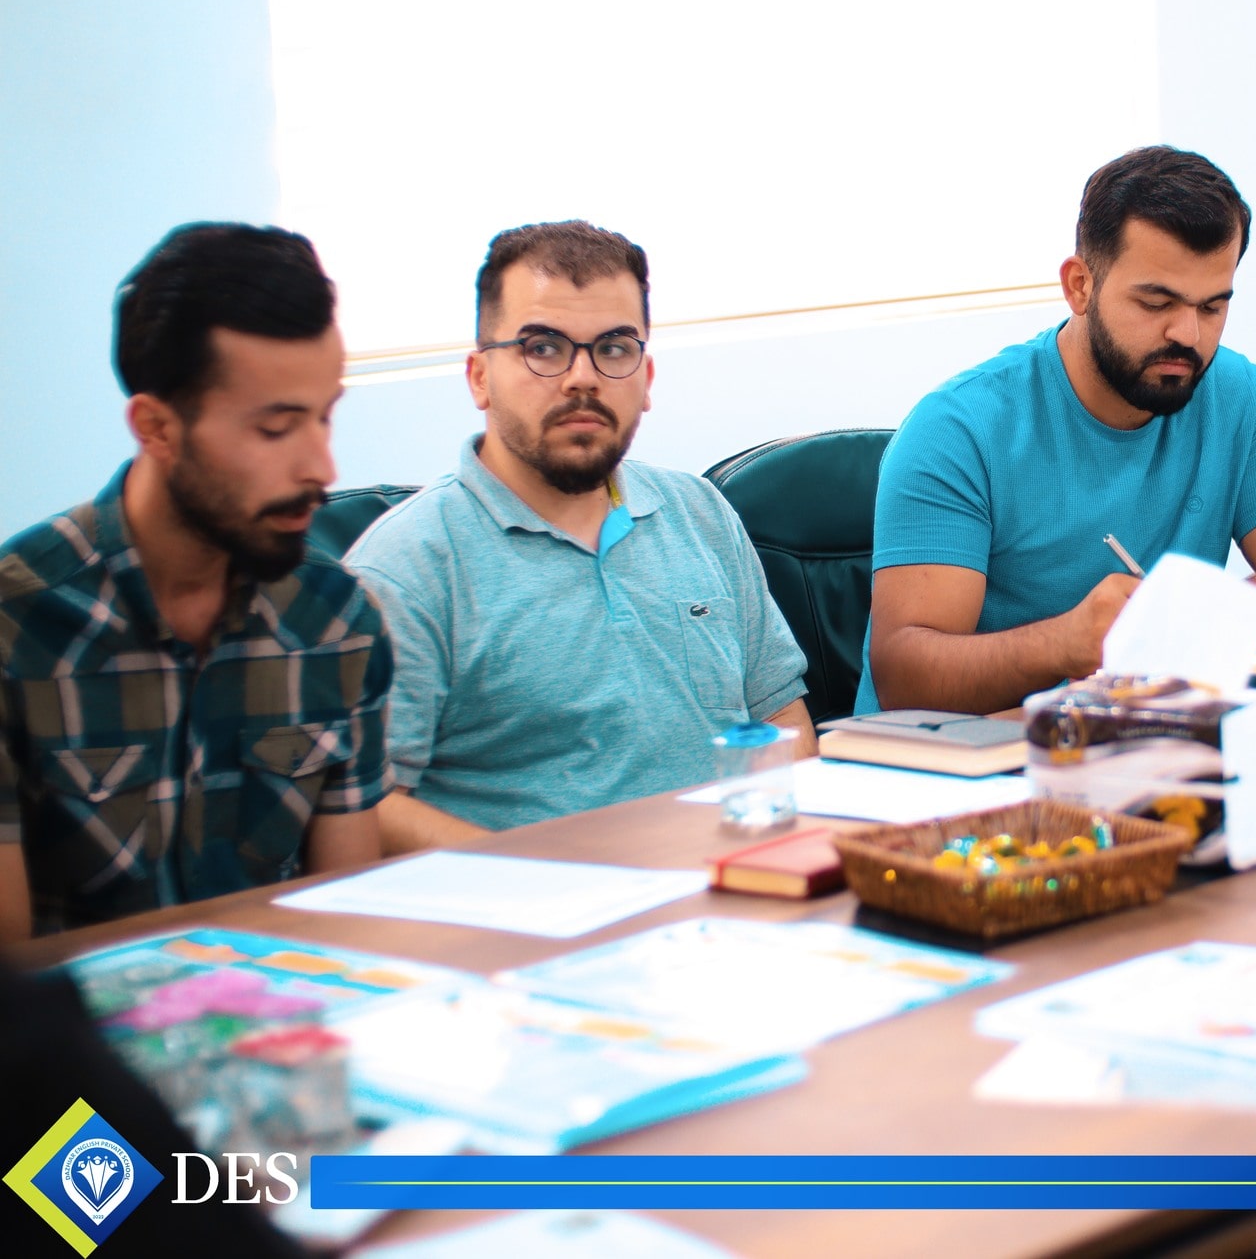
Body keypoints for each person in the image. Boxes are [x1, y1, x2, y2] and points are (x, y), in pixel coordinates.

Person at [346, 220, 811, 850]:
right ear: (479, 376)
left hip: (734, 881)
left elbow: (781, 720)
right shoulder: (407, 566)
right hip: (530, 902)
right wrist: (544, 880)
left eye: (614, 348)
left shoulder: (699, 513)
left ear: (647, 378)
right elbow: (367, 806)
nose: (582, 378)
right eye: (543, 347)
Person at [859, 145, 1256, 714]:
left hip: (1147, 745)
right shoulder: (957, 430)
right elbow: (904, 677)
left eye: (1212, 307)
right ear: (1080, 286)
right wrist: (1064, 645)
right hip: (968, 758)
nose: (1188, 335)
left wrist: (1182, 628)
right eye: (1156, 303)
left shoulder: (1234, 394)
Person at [0, 224, 388, 940]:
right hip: (79, 1014)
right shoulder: (17, 626)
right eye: (276, 428)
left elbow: (348, 927)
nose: (322, 468)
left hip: (284, 1000)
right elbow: (10, 975)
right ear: (156, 428)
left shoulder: (337, 620)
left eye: (325, 416)